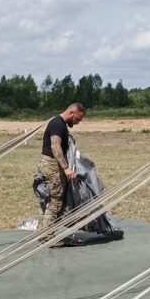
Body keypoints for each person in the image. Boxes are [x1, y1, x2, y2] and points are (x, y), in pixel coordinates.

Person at [37, 102, 86, 244]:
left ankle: (42, 232)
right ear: (71, 113)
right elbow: (55, 146)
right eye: (77, 119)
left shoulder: (57, 122)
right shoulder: (58, 124)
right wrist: (66, 168)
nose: (76, 123)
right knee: (56, 202)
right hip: (53, 166)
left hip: (46, 163)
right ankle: (47, 237)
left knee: (48, 202)